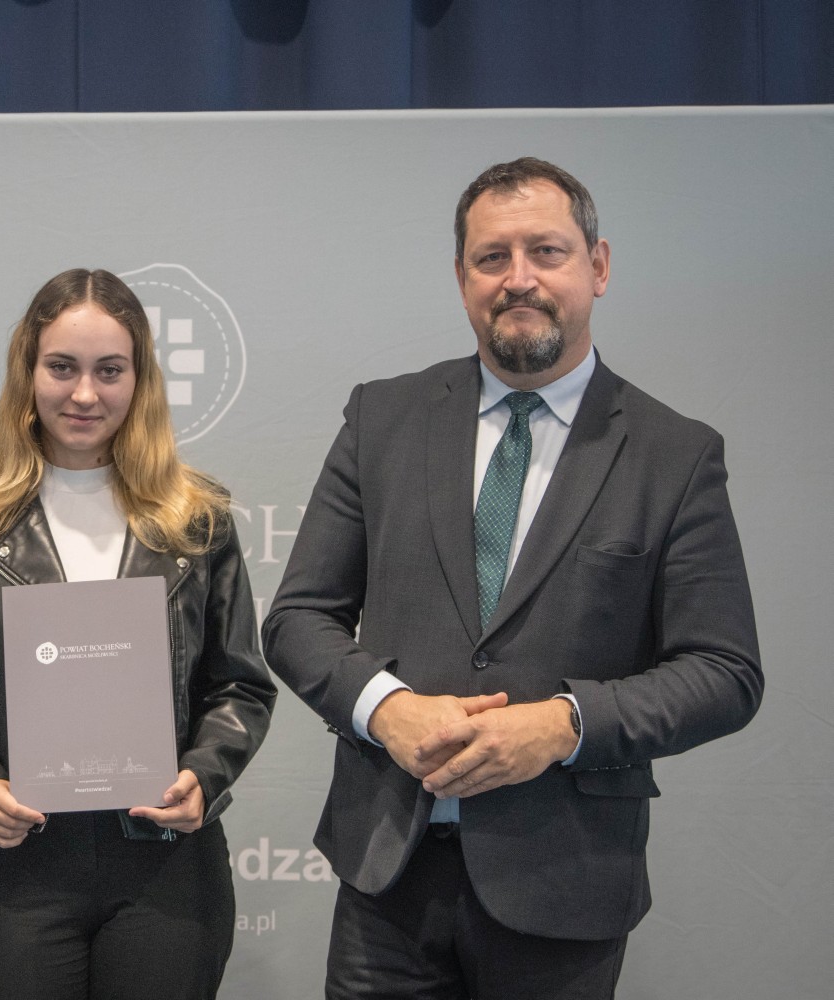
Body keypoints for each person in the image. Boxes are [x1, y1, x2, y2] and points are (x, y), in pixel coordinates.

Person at [262, 157, 762, 999]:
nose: (518, 278)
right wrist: (388, 709)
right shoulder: (381, 418)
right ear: (462, 276)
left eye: (546, 252)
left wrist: (564, 725)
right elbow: (298, 619)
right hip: (387, 879)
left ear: (598, 266)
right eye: (491, 257)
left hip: (563, 885)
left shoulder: (674, 454)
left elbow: (725, 672)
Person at [0, 268, 276, 1000]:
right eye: (62, 367)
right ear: (27, 371)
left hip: (167, 862)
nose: (84, 394)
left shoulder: (197, 517)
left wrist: (204, 775)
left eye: (109, 370)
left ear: (140, 379)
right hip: (22, 858)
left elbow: (239, 683)